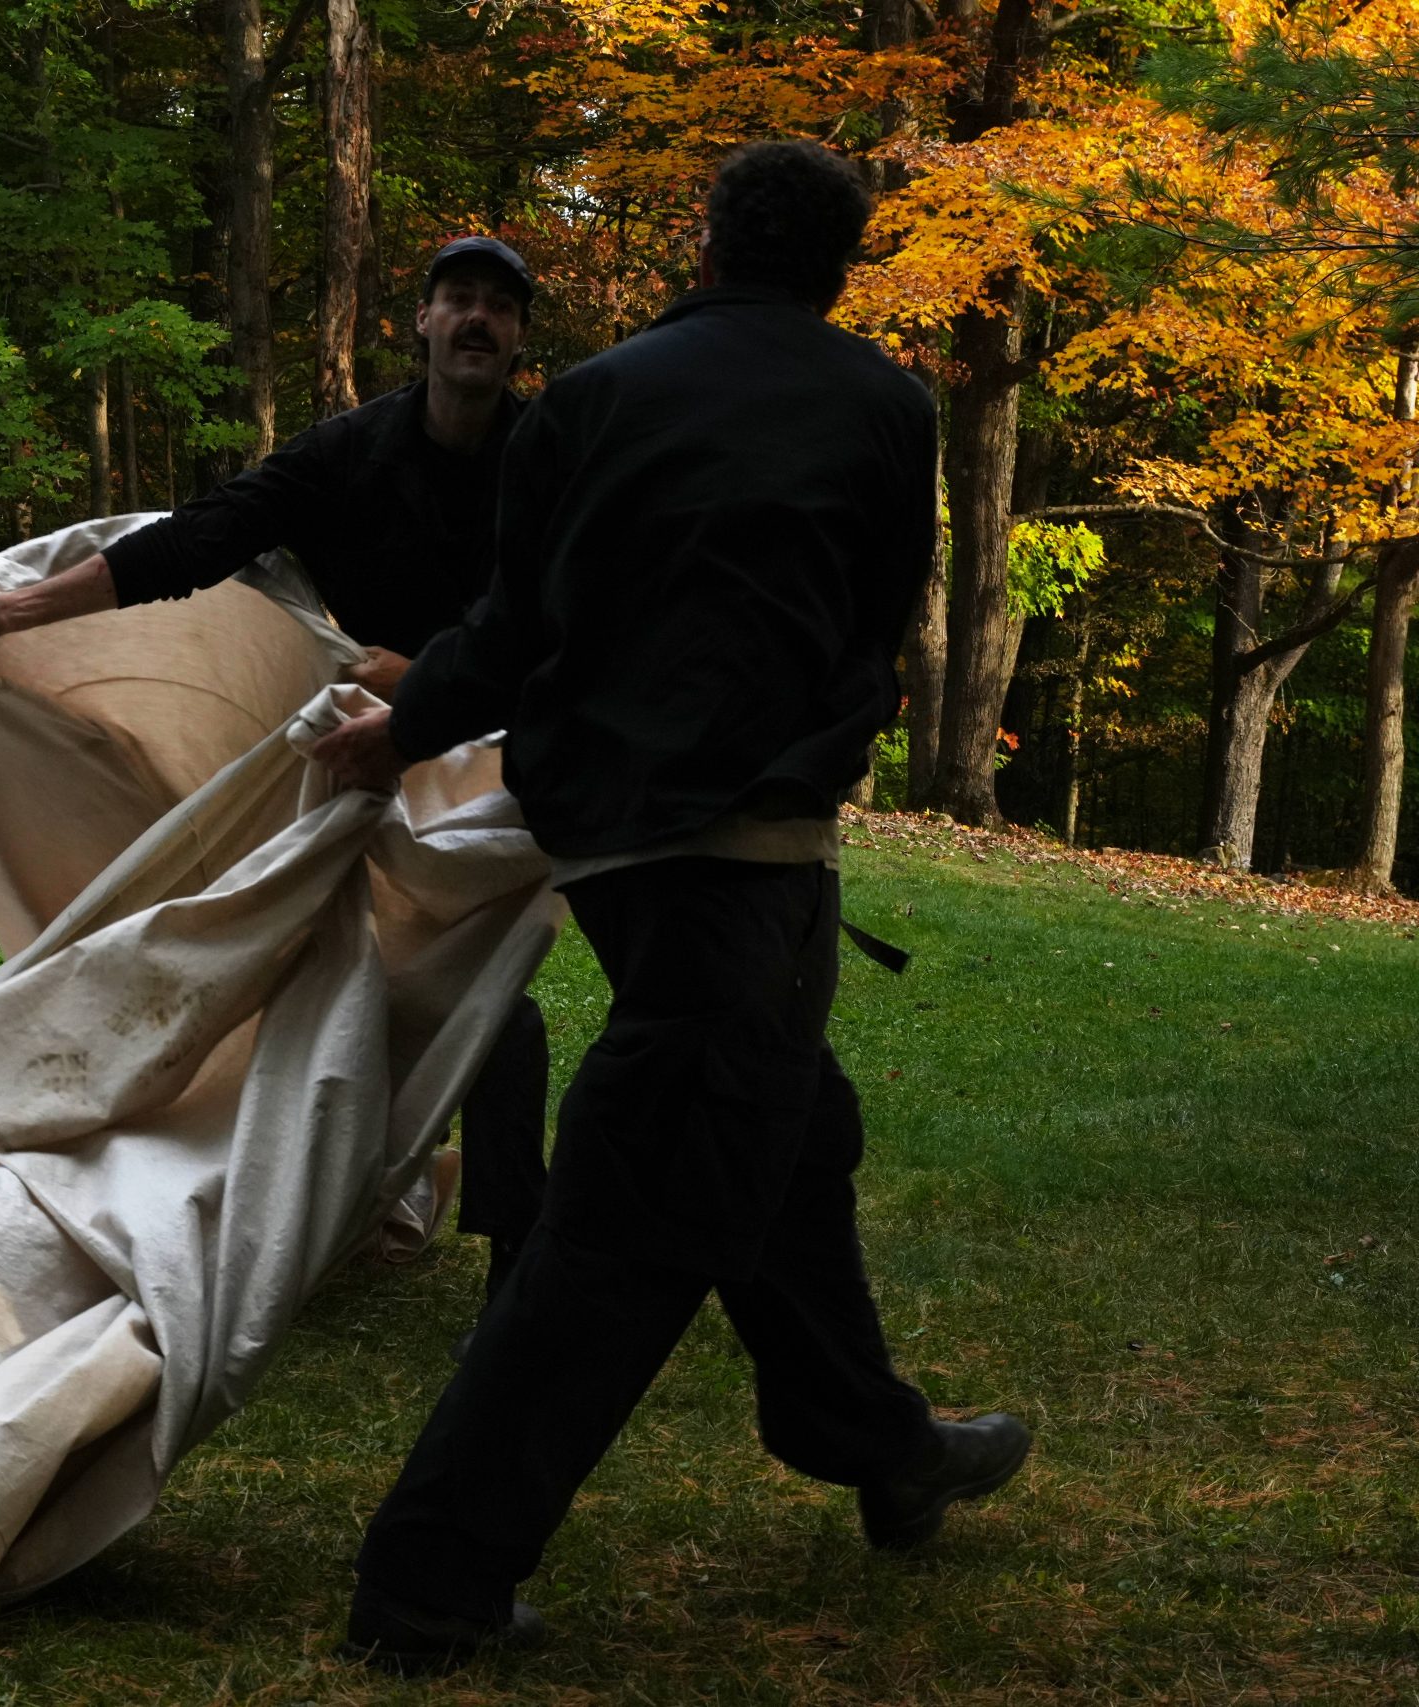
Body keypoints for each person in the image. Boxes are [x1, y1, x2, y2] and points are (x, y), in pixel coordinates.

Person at [313, 140, 1032, 1673]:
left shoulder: (594, 400)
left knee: (787, 1133)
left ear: (707, 238)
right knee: (629, 1224)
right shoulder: (886, 406)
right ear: (842, 263)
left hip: (625, 864)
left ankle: (879, 1440)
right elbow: (877, 609)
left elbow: (515, 623)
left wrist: (407, 721)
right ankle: (430, 1581)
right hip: (746, 860)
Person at [0, 235, 554, 1321]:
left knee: (492, 994)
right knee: (318, 975)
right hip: (356, 758)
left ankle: (520, 1249)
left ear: (518, 336)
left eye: (498, 308)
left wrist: (428, 683)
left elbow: (575, 616)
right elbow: (198, 541)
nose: (475, 321)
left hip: (501, 762)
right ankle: (283, 1199)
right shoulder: (351, 453)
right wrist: (16, 612)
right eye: (456, 301)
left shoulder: (549, 460)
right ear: (418, 324)